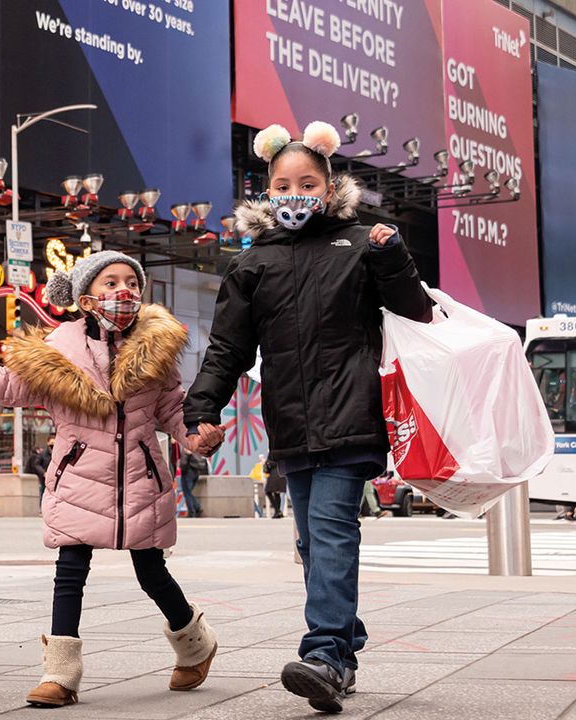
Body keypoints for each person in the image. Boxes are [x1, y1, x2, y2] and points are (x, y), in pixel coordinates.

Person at [184, 121, 432, 714]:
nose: (295, 192)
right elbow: (227, 350)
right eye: (283, 183)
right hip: (292, 427)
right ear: (266, 191)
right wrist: (202, 410)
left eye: (308, 182)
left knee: (329, 529)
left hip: (352, 417)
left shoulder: (359, 243)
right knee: (312, 542)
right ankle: (344, 638)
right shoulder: (253, 265)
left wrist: (392, 255)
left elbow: (416, 311)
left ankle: (324, 653)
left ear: (327, 186)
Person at [0, 251, 225, 708]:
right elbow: (4, 385)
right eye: (110, 283)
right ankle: (60, 674)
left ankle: (195, 645)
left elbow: (171, 410)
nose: (123, 291)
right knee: (70, 570)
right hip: (78, 479)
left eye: (131, 282)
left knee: (152, 573)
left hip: (140, 480)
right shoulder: (56, 355)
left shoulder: (157, 351)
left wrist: (196, 436)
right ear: (86, 298)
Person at [178, 450, 207, 518]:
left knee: (187, 493)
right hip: (196, 473)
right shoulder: (197, 449)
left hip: (188, 473)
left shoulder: (187, 449)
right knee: (188, 492)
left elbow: (183, 463)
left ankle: (193, 510)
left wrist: (181, 468)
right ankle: (196, 508)